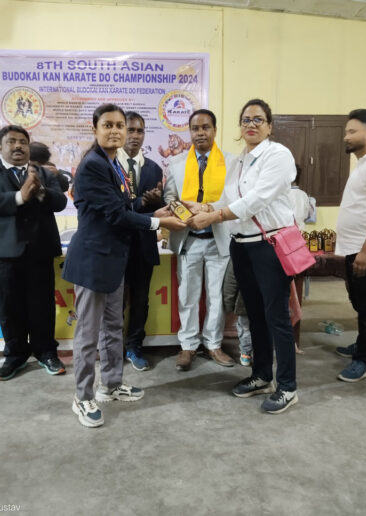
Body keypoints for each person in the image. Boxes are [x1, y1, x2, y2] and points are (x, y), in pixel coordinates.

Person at [62, 103, 185, 428]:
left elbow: (125, 205)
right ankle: (82, 396)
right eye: (109, 125)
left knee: (113, 326)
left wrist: (154, 212)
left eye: (120, 125)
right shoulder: (92, 165)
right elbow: (115, 215)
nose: (116, 131)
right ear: (95, 129)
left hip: (114, 260)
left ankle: (111, 384)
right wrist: (158, 224)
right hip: (92, 261)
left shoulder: (113, 163)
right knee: (88, 334)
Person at [186, 99, 298, 414]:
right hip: (241, 246)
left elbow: (256, 200)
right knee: (254, 315)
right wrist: (203, 207)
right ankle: (262, 375)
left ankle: (287, 386)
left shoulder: (278, 155)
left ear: (269, 126)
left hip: (268, 245)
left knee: (277, 317)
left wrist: (214, 216)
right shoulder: (239, 161)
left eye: (258, 119)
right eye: (246, 119)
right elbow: (228, 198)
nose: (251, 124)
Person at [0, 125, 67, 380]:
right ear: (1, 147)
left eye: (23, 142)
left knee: (42, 306)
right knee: (8, 307)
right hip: (2, 255)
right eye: (11, 141)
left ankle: (46, 352)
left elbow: (61, 202)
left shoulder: (43, 173)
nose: (18, 146)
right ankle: (15, 356)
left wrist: (40, 191)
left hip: (39, 252)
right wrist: (19, 196)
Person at [164, 109, 235, 371]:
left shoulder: (231, 162)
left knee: (216, 297)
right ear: (190, 132)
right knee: (188, 296)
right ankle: (188, 345)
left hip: (219, 240)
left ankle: (214, 344)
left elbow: (234, 199)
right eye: (195, 128)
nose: (200, 133)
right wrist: (186, 215)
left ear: (215, 130)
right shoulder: (177, 163)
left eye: (206, 127)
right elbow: (170, 197)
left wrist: (207, 210)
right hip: (188, 239)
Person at [117, 111, 163, 371]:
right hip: (116, 246)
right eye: (130, 130)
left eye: (139, 131)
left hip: (143, 245)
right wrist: (142, 202)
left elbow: (159, 209)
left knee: (140, 301)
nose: (135, 136)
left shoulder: (154, 168)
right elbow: (114, 209)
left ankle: (134, 346)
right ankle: (112, 348)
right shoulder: (109, 165)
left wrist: (157, 200)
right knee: (114, 302)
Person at [333, 109, 366, 383]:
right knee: (361, 303)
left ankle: (364, 360)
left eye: (352, 131)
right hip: (354, 248)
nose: (346, 136)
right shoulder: (363, 164)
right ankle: (364, 344)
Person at [222, 259, 252, 366]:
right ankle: (247, 352)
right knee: (246, 326)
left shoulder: (242, 251)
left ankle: (246, 352)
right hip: (248, 299)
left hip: (248, 299)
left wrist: (228, 301)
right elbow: (231, 278)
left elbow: (231, 279)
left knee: (245, 327)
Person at [289, 164, 311, 230]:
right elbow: (307, 215)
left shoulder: (285, 194)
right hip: (301, 230)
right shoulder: (304, 194)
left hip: (287, 231)